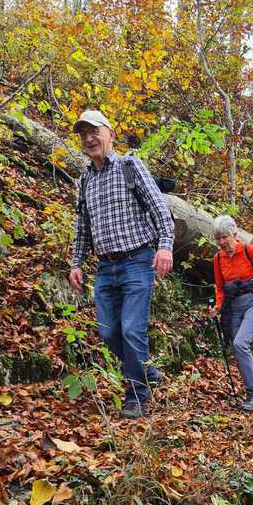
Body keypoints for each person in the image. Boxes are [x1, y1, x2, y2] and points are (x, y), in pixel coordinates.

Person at [68, 109, 174, 419]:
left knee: (131, 329)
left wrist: (165, 246)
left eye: (94, 131)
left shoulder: (130, 165)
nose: (89, 138)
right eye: (84, 134)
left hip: (137, 261)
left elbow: (159, 209)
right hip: (105, 268)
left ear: (110, 134)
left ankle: (137, 395)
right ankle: (147, 372)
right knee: (108, 332)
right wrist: (76, 262)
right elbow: (83, 226)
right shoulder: (85, 180)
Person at [208, 216, 253, 412]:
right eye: (218, 238)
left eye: (224, 237)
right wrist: (217, 307)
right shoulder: (218, 258)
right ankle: (251, 392)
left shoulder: (249, 250)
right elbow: (220, 288)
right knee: (237, 348)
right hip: (233, 307)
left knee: (240, 343)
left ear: (235, 234)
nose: (221, 242)